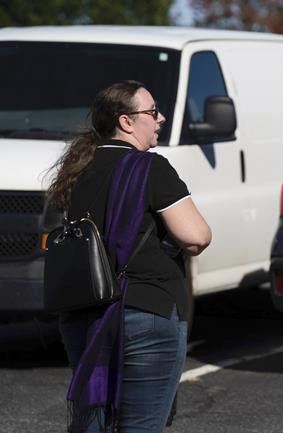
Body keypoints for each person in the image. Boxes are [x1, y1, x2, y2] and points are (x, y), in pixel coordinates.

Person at [47, 80, 211, 432]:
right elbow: (196, 236)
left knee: (96, 424)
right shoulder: (151, 168)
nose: (160, 118)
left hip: (84, 317)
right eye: (153, 111)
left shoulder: (76, 171)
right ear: (126, 121)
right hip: (145, 311)